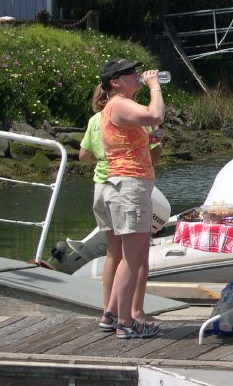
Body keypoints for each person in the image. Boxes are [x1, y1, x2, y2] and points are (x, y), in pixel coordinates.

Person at [79, 84, 163, 332]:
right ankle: (133, 313)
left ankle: (109, 312)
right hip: (127, 184)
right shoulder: (132, 115)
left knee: (113, 255)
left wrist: (105, 157)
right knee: (136, 256)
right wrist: (155, 143)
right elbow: (152, 155)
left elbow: (83, 155)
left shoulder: (97, 118)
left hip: (102, 185)